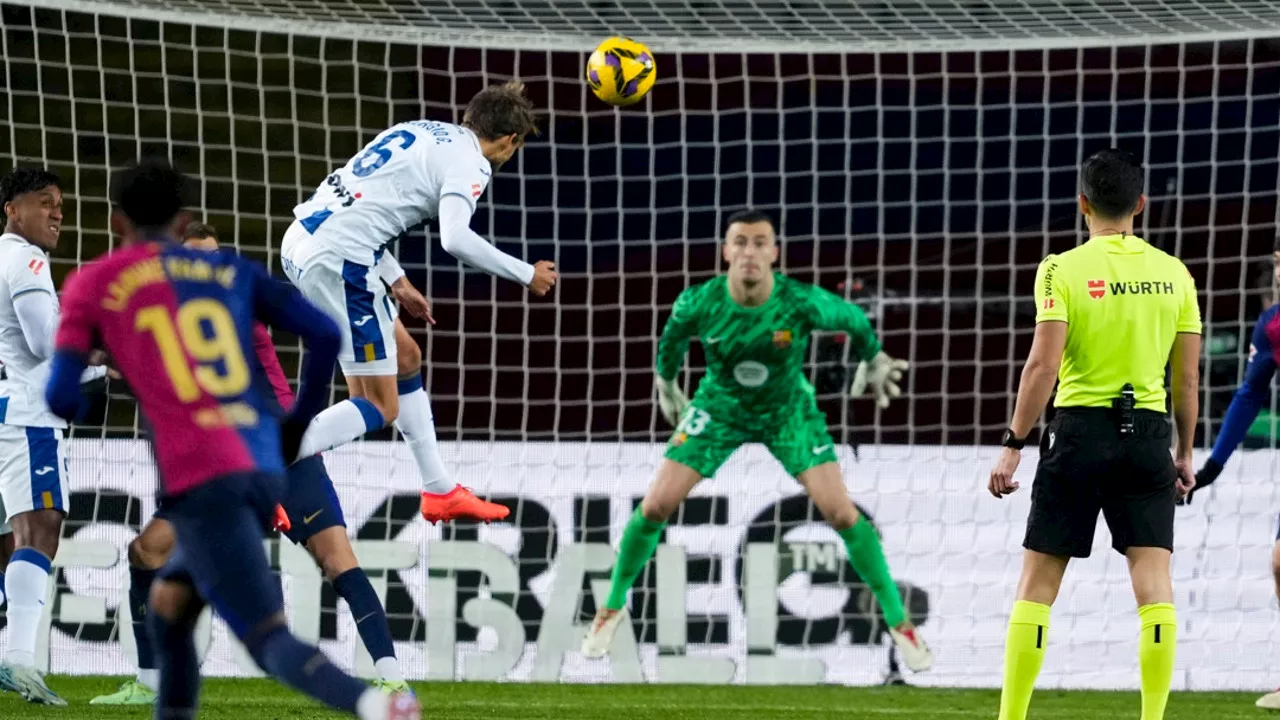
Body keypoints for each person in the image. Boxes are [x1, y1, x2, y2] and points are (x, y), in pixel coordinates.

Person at [45, 159, 418, 720]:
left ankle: (375, 704)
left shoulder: (97, 285)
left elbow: (60, 399)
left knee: (268, 639)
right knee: (170, 603)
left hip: (203, 476)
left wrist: (96, 386)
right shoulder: (230, 275)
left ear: (118, 221)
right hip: (265, 459)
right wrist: (297, 425)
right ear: (184, 220)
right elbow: (323, 332)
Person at [579, 209, 933, 671]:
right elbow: (671, 342)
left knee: (841, 512)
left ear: (774, 253)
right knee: (654, 507)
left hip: (788, 411)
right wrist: (666, 386)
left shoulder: (797, 301)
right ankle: (610, 607)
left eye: (760, 242)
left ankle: (899, 622)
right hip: (720, 408)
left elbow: (853, 319)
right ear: (726, 252)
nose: (750, 251)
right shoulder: (699, 302)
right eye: (741, 242)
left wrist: (875, 357)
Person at [280, 81, 558, 524]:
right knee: (379, 405)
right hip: (341, 262)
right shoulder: (473, 165)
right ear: (510, 141)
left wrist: (397, 279)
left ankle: (439, 489)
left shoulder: (418, 130)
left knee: (406, 356)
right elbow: (455, 238)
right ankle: (264, 462)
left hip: (308, 240)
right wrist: (527, 274)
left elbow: (362, 204)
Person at [987, 149, 1201, 720]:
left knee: (1037, 587)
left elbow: (1041, 366)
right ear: (1141, 205)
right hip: (1149, 435)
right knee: (1154, 588)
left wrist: (1013, 443)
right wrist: (1183, 453)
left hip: (1079, 432)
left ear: (1082, 204)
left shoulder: (1061, 268)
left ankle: (1011, 718)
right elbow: (1186, 378)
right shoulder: (1176, 273)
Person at [0, 167, 106, 705]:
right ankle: (18, 661)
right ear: (12, 211)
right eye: (45, 203)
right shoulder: (27, 259)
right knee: (40, 529)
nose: (58, 212)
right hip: (24, 416)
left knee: (6, 543)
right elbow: (46, 343)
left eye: (60, 203)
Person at [1180, 236, 1280, 710]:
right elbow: (1249, 395)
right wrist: (1212, 467)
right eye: (1276, 262)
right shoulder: (1272, 326)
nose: (1277, 270)